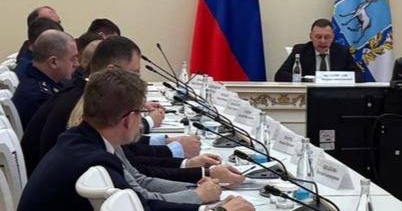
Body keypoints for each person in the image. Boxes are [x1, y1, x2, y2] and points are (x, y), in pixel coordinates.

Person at [17, 67, 254, 211]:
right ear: (129, 119)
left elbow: (141, 185)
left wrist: (196, 188)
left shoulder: (87, 138)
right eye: (141, 113)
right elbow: (142, 205)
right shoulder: (93, 159)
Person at [12, 30, 78, 127]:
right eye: (72, 59)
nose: (77, 64)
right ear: (53, 62)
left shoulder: (35, 81)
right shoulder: (40, 97)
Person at [274, 18, 364, 82]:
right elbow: (280, 75)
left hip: (336, 95)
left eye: (327, 37)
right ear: (311, 36)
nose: (322, 41)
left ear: (333, 37)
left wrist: (338, 78)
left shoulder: (342, 51)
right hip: (309, 95)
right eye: (318, 37)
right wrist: (306, 79)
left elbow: (360, 76)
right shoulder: (300, 50)